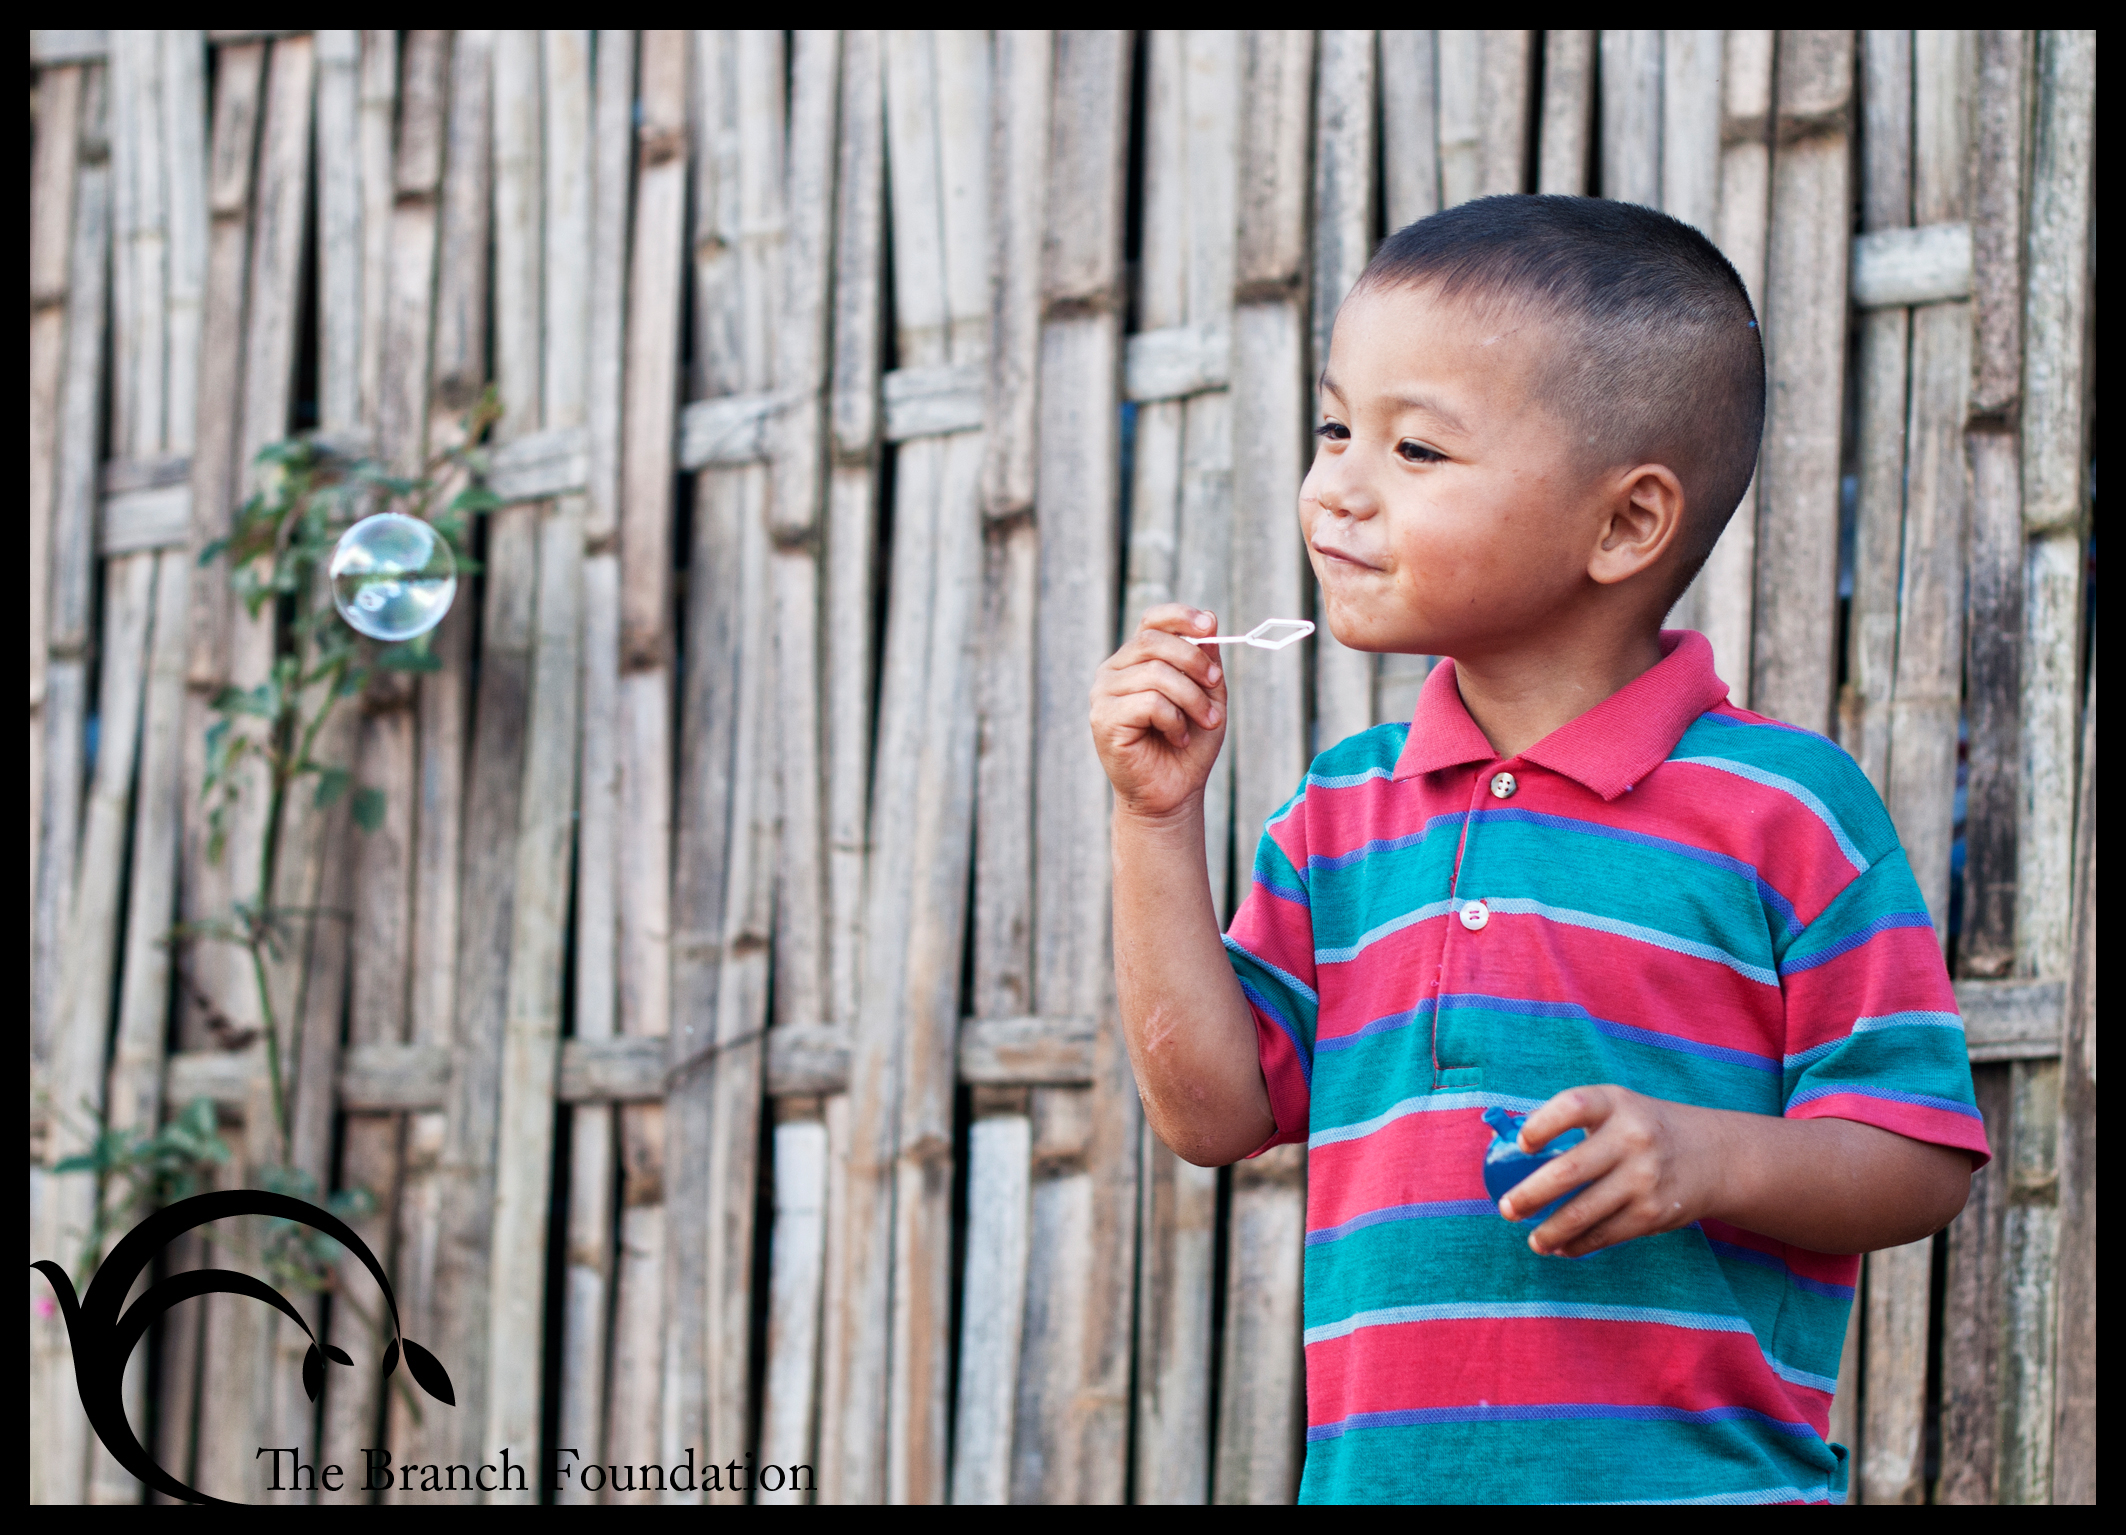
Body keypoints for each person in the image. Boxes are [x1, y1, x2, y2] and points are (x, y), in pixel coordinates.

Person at [1089, 195, 1986, 1504]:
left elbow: (1915, 1157)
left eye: (1415, 452)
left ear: (1624, 524)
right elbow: (1211, 1112)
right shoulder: (1340, 812)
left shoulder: (1787, 812)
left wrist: (1704, 1158)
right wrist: (1155, 822)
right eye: (1337, 428)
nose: (1336, 485)